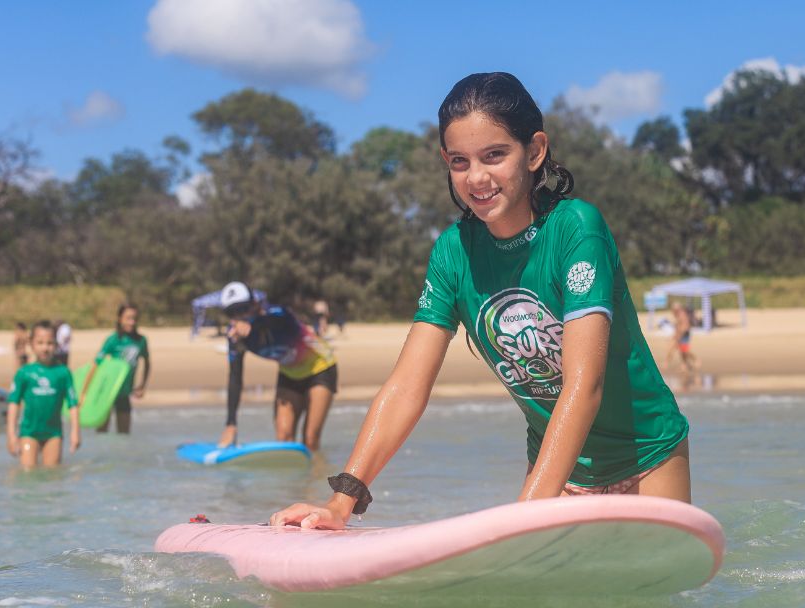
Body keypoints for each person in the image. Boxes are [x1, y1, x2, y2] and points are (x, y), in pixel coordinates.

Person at [271, 72, 690, 530]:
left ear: (534, 152)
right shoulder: (454, 253)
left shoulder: (575, 230)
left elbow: (582, 387)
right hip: (559, 468)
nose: (477, 177)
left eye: (495, 155)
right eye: (459, 161)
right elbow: (407, 386)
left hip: (646, 456)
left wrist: (527, 510)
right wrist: (341, 501)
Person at [216, 281, 338, 451]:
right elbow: (235, 377)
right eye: (232, 312)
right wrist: (231, 424)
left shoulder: (277, 315)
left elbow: (279, 319)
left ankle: (316, 475)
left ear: (254, 305)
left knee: (310, 439)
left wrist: (253, 326)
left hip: (320, 368)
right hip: (289, 374)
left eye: (243, 308)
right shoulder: (236, 337)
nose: (239, 316)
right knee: (283, 439)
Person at [6, 320, 80, 468]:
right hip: (28, 432)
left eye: (50, 343)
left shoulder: (63, 373)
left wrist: (75, 432)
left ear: (56, 345)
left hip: (53, 434)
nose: (45, 348)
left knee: (52, 474)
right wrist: (11, 435)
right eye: (40, 343)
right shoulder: (24, 373)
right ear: (31, 344)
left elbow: (73, 405)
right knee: (28, 473)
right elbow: (14, 404)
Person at [80, 303, 149, 434]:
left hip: (125, 393)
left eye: (134, 318)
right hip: (107, 393)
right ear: (119, 318)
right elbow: (96, 365)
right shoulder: (113, 340)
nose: (132, 322)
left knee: (124, 435)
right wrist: (84, 393)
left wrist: (142, 385)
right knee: (101, 433)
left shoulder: (141, 340)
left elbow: (147, 362)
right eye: (128, 318)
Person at [667, 301, 700, 373]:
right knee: (681, 351)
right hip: (680, 334)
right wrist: (676, 334)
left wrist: (679, 335)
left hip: (684, 334)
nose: (672, 311)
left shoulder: (682, 315)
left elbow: (685, 327)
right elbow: (678, 326)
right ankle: (684, 365)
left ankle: (695, 360)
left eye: (674, 309)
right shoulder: (677, 315)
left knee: (685, 351)